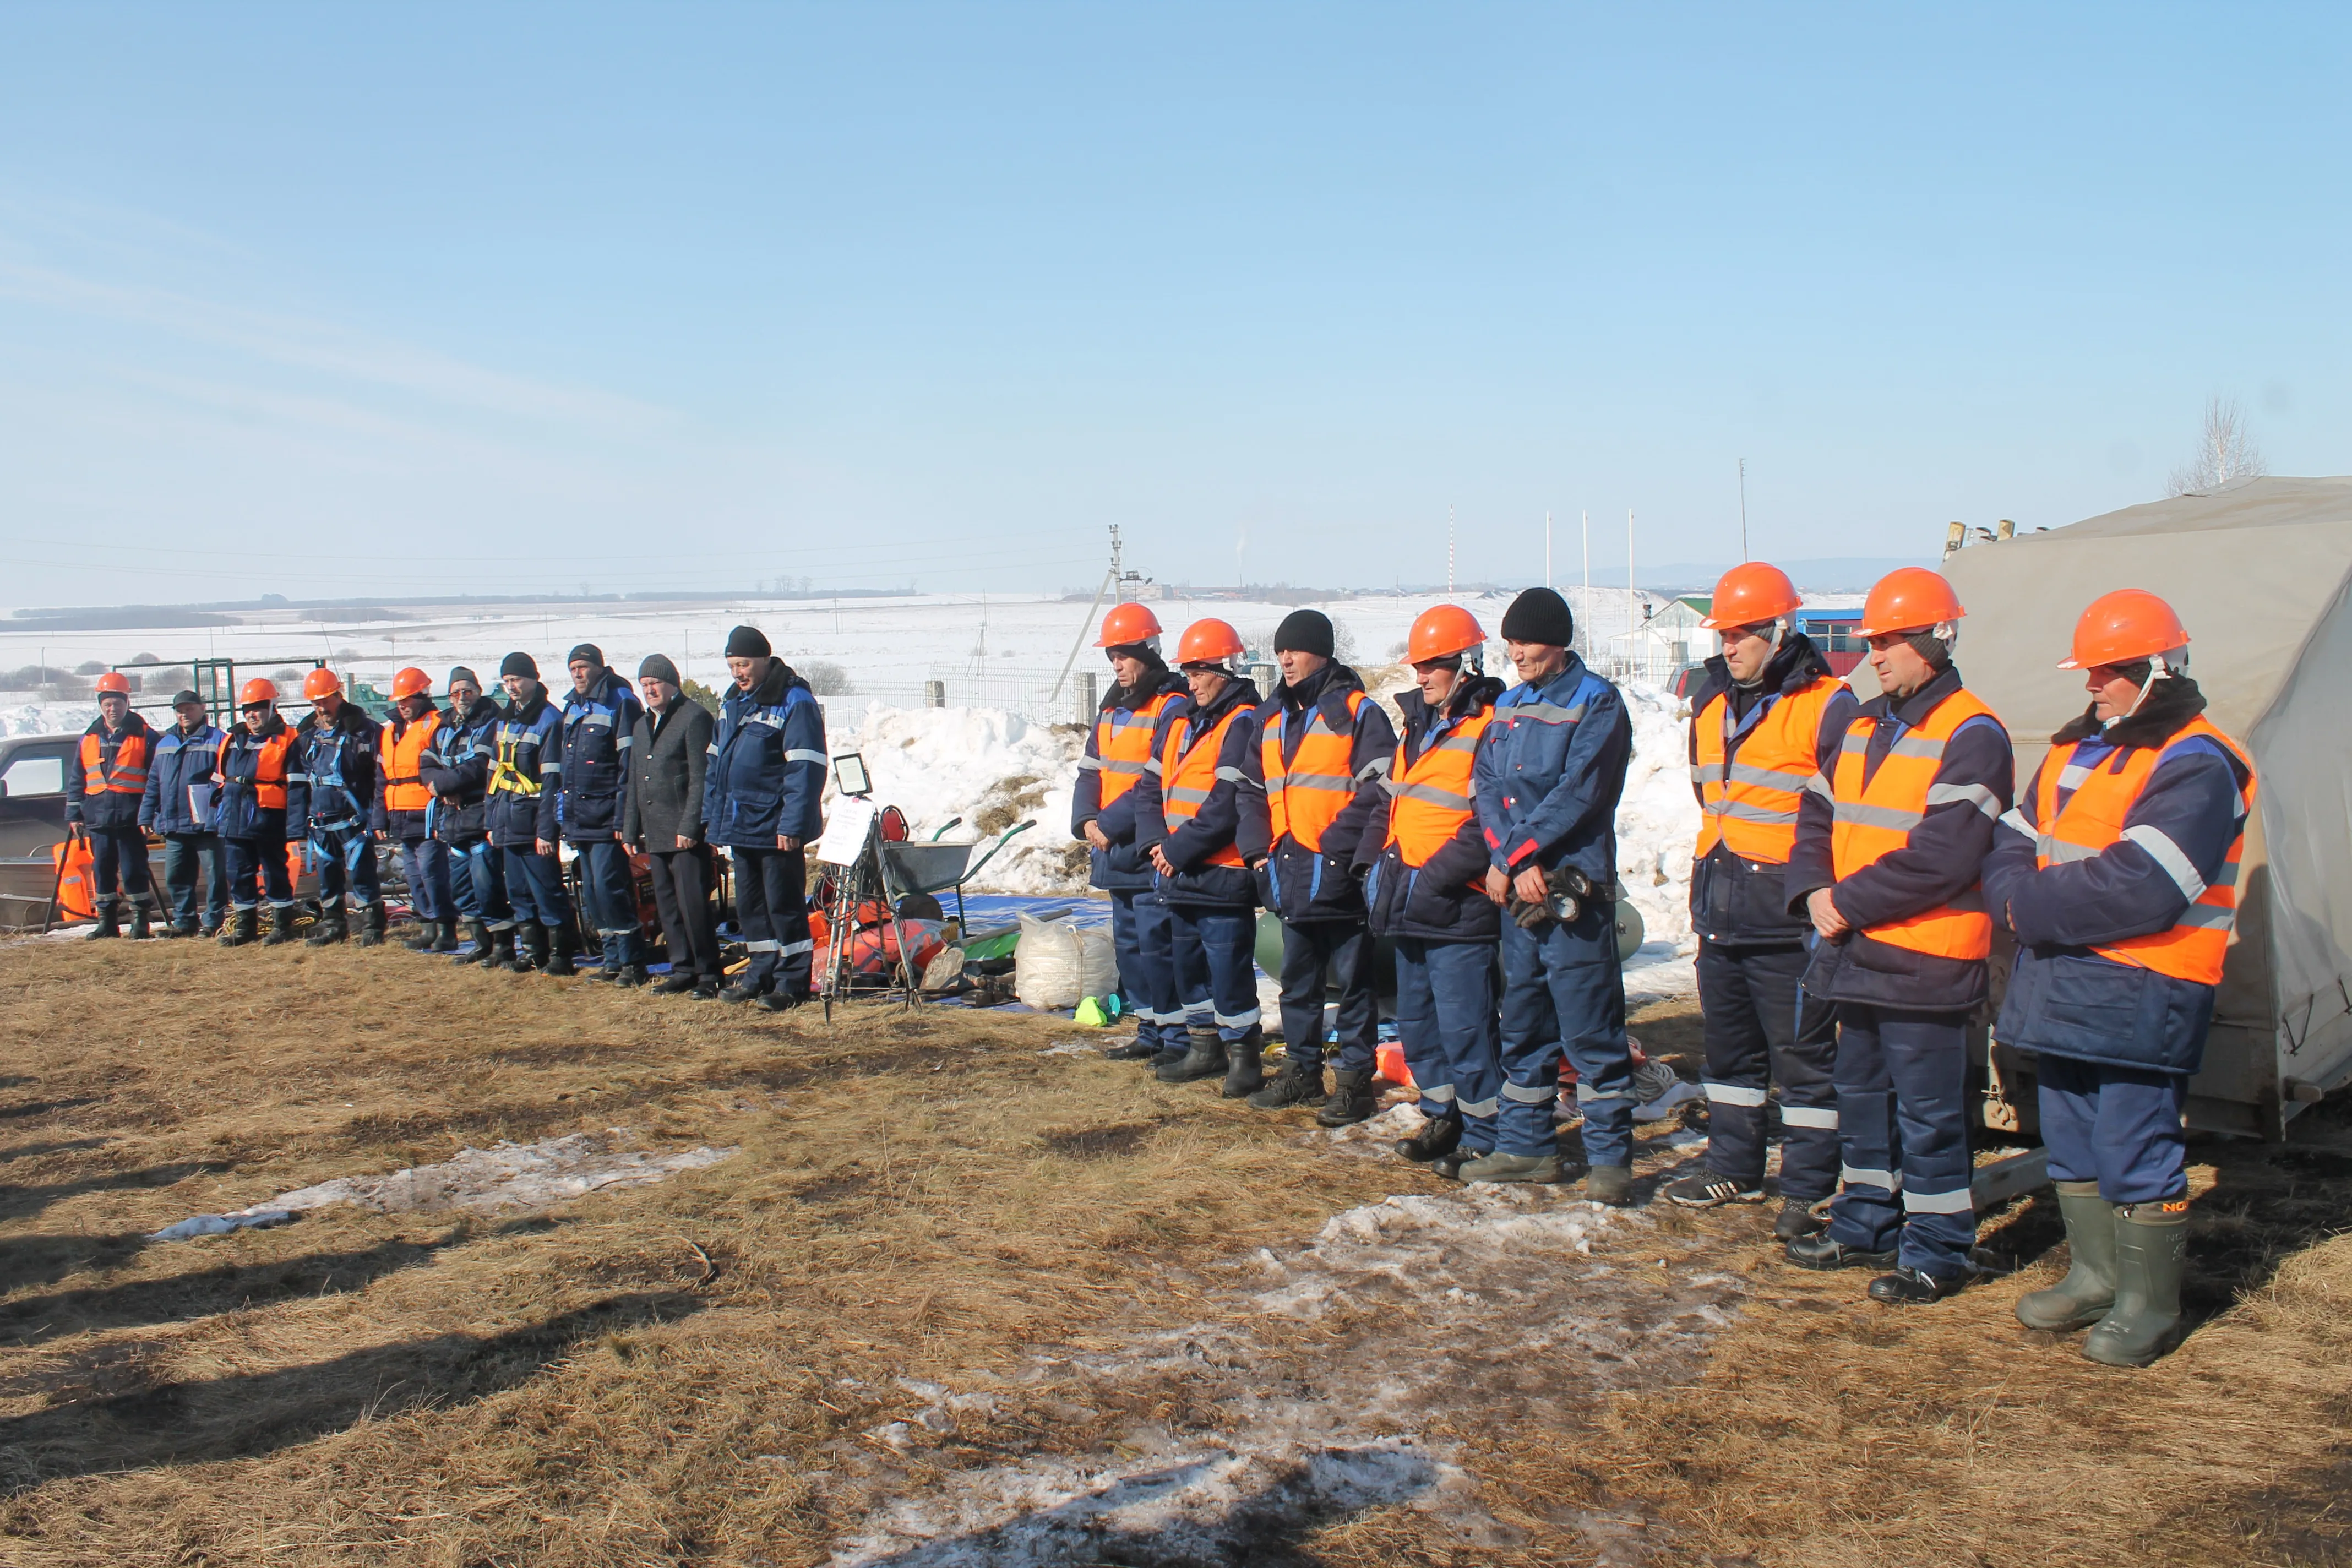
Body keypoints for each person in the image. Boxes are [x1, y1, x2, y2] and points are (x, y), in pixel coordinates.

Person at [1984, 590, 2251, 1366]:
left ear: (2158, 670)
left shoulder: (2198, 761)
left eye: (2109, 670)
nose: (2092, 683)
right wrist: (2013, 893)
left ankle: (2149, 1306)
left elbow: (2145, 886)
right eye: (2091, 670)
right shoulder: (2076, 750)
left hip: (2144, 986)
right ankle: (2097, 1278)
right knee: (2072, 1138)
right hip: (2065, 980)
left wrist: (2024, 905)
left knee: (2136, 1143)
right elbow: (2012, 836)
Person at [1783, 567, 2014, 1303]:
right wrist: (1814, 892)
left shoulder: (1973, 734)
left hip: (1926, 959)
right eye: (1871, 642)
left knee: (1929, 1113)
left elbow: (1945, 855)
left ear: (1937, 640)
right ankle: (1867, 1222)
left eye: (1889, 642)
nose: (1873, 655)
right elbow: (1816, 814)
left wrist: (1843, 902)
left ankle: (1940, 1249)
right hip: (1859, 953)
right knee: (1862, 1096)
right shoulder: (1862, 726)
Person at [1663, 564, 1859, 1239]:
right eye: (1723, 634)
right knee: (1729, 1056)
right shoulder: (1711, 706)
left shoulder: (1829, 704)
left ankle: (1809, 1186)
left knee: (1804, 1062)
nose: (1729, 645)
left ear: (1779, 630)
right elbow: (1709, 794)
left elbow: (1845, 811)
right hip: (1720, 905)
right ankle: (1733, 1166)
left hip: (1787, 916)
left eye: (1742, 633)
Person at [1473, 588, 1637, 1196]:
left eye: (1528, 643)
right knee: (1523, 1021)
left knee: (1590, 1026)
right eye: (1511, 643)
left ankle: (1610, 1161)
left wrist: (1517, 856)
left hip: (1573, 893)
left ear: (1559, 643)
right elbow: (1486, 784)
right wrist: (1507, 857)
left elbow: (1580, 793)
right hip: (1522, 891)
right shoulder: (1509, 704)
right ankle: (1526, 1147)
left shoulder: (1598, 702)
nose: (1517, 653)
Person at [1360, 605, 1507, 1176]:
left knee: (1466, 1026)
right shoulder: (1417, 727)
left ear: (1466, 664)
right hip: (1411, 898)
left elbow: (1488, 820)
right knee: (1419, 1024)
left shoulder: (1489, 726)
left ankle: (1486, 1131)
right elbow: (1392, 802)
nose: (1421, 676)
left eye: (1432, 665)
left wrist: (1436, 877)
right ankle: (1443, 1116)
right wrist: (1376, 866)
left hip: (1457, 903)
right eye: (1418, 666)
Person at [1244, 608, 1397, 1123]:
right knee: (1298, 983)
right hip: (1287, 870)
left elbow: (1382, 788)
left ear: (1323, 653)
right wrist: (1259, 853)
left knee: (1354, 986)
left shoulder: (1357, 712)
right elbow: (1250, 791)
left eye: (1295, 650)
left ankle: (1354, 1085)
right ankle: (1302, 1073)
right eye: (1280, 651)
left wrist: (1337, 847)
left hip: (1339, 872)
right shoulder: (1271, 718)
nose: (1285, 659)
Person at [1141, 618, 1267, 1090]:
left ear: (1225, 672)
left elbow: (1228, 801)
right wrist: (1156, 844)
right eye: (1188, 673)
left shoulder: (1244, 722)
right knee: (1188, 965)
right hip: (1179, 870)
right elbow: (1149, 787)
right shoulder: (1181, 722)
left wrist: (1176, 849)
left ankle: (1244, 1057)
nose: (1190, 683)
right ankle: (1203, 1047)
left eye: (1198, 673)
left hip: (1221, 871)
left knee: (1229, 970)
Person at [1074, 602, 1189, 1063]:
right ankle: (1149, 1028)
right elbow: (1090, 769)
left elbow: (1155, 778)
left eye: (1123, 655)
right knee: (1131, 947)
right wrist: (1086, 820)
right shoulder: (1110, 709)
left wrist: (1108, 824)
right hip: (1114, 852)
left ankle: (1177, 1035)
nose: (1116, 664)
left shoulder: (1171, 705)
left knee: (1158, 945)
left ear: (1147, 651)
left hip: (1147, 848)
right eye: (1111, 656)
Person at [702, 625, 826, 1009]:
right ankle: (760, 974)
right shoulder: (732, 703)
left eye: (743, 664)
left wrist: (792, 824)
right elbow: (716, 765)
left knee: (783, 906)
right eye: (732, 666)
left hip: (775, 826)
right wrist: (711, 817)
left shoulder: (794, 701)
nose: (737, 673)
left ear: (764, 660)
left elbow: (805, 768)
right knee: (752, 907)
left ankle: (792, 982)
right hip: (740, 824)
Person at [624, 654, 723, 998]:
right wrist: (630, 828)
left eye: (655, 684)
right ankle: (682, 969)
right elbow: (635, 780)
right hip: (655, 831)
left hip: (684, 832)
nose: (650, 690)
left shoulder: (693, 717)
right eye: (644, 685)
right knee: (667, 905)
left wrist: (691, 825)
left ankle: (708, 972)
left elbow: (700, 777)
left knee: (692, 904)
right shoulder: (641, 726)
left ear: (672, 683)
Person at [558, 643, 647, 985]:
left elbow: (629, 765)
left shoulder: (620, 701)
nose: (578, 674)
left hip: (607, 814)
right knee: (594, 892)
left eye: (583, 667)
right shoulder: (572, 707)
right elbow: (567, 768)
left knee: (612, 889)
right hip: (580, 817)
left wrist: (624, 818)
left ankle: (632, 962)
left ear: (599, 667)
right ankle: (612, 960)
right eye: (573, 669)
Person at [486, 652, 578, 974]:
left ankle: (561, 955)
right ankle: (533, 951)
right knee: (518, 891)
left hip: (534, 821)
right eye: (506, 681)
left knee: (546, 890)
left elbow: (552, 781)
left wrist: (546, 831)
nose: (512, 687)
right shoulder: (504, 719)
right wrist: (491, 822)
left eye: (517, 680)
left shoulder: (549, 719)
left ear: (533, 679)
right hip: (507, 819)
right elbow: (494, 776)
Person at [420, 667, 514, 968]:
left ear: (479, 692)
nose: (462, 697)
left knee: (488, 887)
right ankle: (481, 944)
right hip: (452, 819)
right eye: (456, 693)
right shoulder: (443, 727)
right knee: (461, 888)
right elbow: (426, 764)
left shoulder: (492, 722)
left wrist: (446, 785)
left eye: (468, 691)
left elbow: (482, 764)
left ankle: (504, 947)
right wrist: (440, 788)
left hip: (480, 815)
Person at [286, 667, 386, 947]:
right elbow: (300, 781)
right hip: (320, 821)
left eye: (326, 701)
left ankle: (373, 925)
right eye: (316, 703)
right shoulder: (307, 737)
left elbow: (381, 777)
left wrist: (378, 816)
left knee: (363, 873)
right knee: (328, 876)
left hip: (355, 820)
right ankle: (334, 925)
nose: (321, 708)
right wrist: (298, 824)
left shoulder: (365, 732)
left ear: (339, 696)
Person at [66, 672, 159, 940]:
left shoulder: (145, 736)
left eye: (117, 703)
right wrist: (74, 814)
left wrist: (151, 813)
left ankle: (140, 923)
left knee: (134, 871)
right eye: (107, 704)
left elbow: (156, 779)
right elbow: (78, 779)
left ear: (127, 703)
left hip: (132, 818)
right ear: (100, 706)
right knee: (102, 871)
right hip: (98, 818)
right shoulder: (89, 738)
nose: (112, 708)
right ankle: (107, 924)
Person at [214, 678, 300, 946]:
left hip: (268, 818)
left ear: (272, 708)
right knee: (238, 874)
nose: (252, 714)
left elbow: (298, 786)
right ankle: (245, 928)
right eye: (247, 709)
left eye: (258, 708)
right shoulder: (231, 739)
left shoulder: (288, 739)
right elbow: (219, 780)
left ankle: (283, 927)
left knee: (275, 872)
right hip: (233, 817)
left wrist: (296, 826)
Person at [375, 667, 456, 952]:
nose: (403, 706)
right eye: (399, 701)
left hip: (428, 811)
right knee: (413, 874)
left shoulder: (436, 725)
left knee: (432, 871)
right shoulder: (390, 732)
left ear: (423, 696)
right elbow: (381, 778)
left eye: (408, 700)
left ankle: (446, 928)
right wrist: (379, 817)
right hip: (400, 812)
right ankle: (428, 926)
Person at [139, 688, 228, 938]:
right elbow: (154, 782)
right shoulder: (165, 743)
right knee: (176, 876)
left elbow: (226, 780)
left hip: (207, 825)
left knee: (215, 876)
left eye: (189, 709)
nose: (184, 714)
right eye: (180, 710)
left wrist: (217, 811)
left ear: (202, 709)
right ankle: (184, 921)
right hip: (174, 823)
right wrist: (146, 815)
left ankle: (213, 921)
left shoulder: (219, 740)